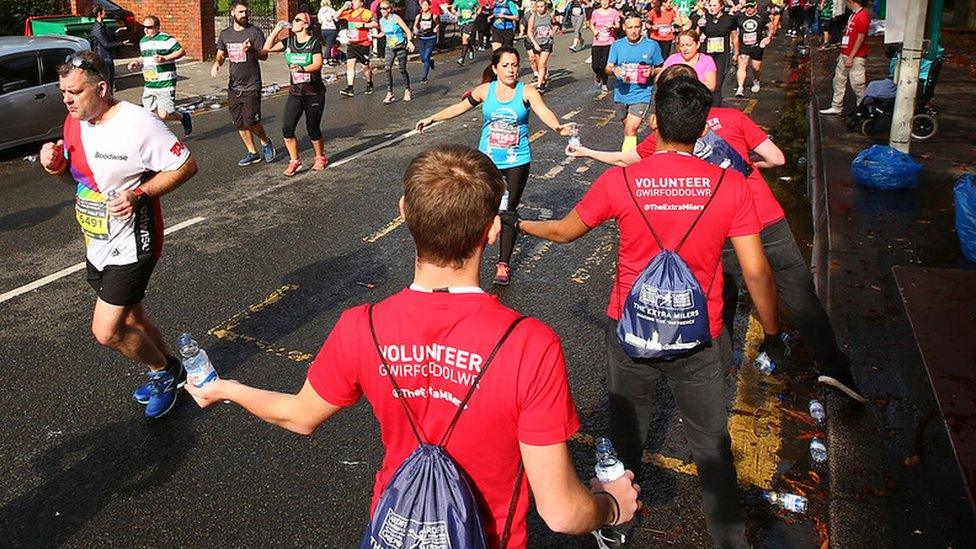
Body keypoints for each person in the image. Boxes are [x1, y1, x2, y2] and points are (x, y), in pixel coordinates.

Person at [185, 144, 641, 548]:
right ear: (492, 231)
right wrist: (611, 505)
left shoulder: (361, 325)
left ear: (404, 212)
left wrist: (225, 388)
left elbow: (300, 416)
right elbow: (561, 513)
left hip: (396, 528)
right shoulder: (530, 344)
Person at [513, 75, 783, 548]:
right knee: (711, 444)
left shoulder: (621, 179)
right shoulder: (731, 185)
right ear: (703, 130)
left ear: (654, 122)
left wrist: (517, 223)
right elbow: (756, 272)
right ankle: (729, 540)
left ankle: (616, 526)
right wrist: (774, 333)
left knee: (625, 436)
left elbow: (563, 232)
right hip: (700, 336)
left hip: (630, 328)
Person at [568, 64, 867, 403]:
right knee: (799, 292)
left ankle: (714, 380)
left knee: (719, 297)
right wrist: (747, 165)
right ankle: (835, 369)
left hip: (725, 223)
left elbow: (629, 160)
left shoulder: (669, 135)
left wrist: (588, 152)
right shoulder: (733, 119)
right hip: (768, 217)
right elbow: (778, 158)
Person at [39, 51, 198, 419]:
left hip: (134, 242)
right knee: (134, 320)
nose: (68, 100)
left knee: (107, 331)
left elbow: (187, 165)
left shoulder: (138, 124)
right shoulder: (73, 122)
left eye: (76, 92)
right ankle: (172, 371)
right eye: (64, 92)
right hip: (96, 242)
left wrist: (138, 193)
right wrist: (55, 165)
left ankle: (161, 373)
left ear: (102, 88)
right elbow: (74, 179)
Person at [415, 47, 573, 286]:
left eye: (514, 65)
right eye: (506, 66)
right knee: (477, 209)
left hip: (516, 162)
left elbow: (544, 111)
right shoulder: (484, 91)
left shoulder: (526, 91)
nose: (511, 70)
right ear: (495, 68)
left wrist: (558, 127)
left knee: (507, 212)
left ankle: (503, 263)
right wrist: (432, 118)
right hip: (486, 162)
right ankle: (462, 257)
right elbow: (459, 108)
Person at [262, 14, 328, 176]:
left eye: (297, 20)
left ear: (306, 25)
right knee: (287, 128)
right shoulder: (289, 42)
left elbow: (318, 64)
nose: (293, 22)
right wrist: (276, 30)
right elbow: (267, 48)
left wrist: (302, 69)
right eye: (294, 20)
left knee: (312, 129)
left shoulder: (313, 43)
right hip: (296, 93)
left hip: (314, 93)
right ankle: (294, 161)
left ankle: (320, 157)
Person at [213, 0, 277, 167]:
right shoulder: (226, 34)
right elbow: (221, 53)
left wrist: (252, 50)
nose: (244, 14)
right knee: (239, 123)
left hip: (251, 84)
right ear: (233, 12)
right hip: (234, 85)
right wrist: (217, 63)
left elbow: (264, 55)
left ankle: (265, 141)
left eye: (246, 11)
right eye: (241, 12)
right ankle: (252, 152)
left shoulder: (254, 32)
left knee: (251, 121)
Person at [126, 15, 193, 137]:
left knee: (164, 114)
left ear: (157, 27)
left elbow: (181, 51)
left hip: (165, 82)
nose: (146, 30)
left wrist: (165, 58)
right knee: (151, 114)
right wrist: (136, 62)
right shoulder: (143, 41)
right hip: (150, 83)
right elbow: (145, 57)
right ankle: (160, 138)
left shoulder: (166, 39)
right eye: (144, 27)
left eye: (149, 27)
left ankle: (184, 117)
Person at [606, 14, 662, 152]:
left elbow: (661, 67)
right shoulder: (617, 45)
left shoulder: (652, 45)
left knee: (631, 128)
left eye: (637, 27)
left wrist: (652, 71)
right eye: (630, 27)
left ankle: (628, 162)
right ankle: (636, 152)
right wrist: (614, 69)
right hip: (621, 94)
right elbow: (608, 68)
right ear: (624, 28)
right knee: (628, 129)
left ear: (641, 27)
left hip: (642, 93)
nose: (634, 31)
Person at [819, 0, 868, 115]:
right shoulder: (853, 15)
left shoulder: (862, 16)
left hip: (856, 56)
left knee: (857, 84)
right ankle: (836, 105)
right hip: (846, 53)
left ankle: (862, 108)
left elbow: (860, 38)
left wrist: (851, 56)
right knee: (838, 80)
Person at [377, 1, 416, 104]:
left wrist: (410, 42)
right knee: (387, 69)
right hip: (389, 47)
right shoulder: (381, 20)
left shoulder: (396, 18)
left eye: (384, 8)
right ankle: (390, 93)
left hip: (400, 46)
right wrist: (376, 36)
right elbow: (383, 32)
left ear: (389, 9)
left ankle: (408, 89)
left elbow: (407, 31)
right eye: (380, 8)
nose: (382, 11)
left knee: (402, 69)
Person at [698, 0, 736, 105]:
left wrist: (737, 53)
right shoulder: (705, 18)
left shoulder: (729, 19)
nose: (711, 8)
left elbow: (734, 37)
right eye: (710, 5)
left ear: (721, 7)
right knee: (705, 81)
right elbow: (696, 34)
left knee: (717, 85)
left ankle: (716, 109)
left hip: (722, 54)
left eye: (714, 5)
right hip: (707, 53)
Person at [338, 0, 379, 97]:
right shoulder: (350, 13)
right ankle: (350, 88)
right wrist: (344, 7)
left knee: (365, 67)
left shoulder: (366, 13)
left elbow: (376, 23)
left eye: (355, 1)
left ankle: (369, 82)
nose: (353, 3)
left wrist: (363, 25)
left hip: (363, 43)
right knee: (350, 65)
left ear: (361, 3)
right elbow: (336, 16)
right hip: (352, 43)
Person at [733, 0, 772, 96]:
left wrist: (768, 37)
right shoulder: (739, 17)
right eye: (747, 7)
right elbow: (734, 32)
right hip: (743, 45)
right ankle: (740, 88)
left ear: (756, 6)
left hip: (757, 45)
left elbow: (771, 26)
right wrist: (735, 48)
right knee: (742, 65)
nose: (749, 9)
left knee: (756, 67)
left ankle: (756, 80)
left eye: (751, 7)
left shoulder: (762, 16)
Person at [88, 5, 129, 94]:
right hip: (103, 58)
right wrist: (122, 43)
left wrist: (117, 32)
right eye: (104, 11)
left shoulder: (102, 25)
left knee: (110, 82)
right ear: (99, 13)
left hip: (107, 57)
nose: (105, 13)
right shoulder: (97, 28)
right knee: (107, 82)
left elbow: (108, 37)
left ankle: (109, 101)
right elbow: (106, 44)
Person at [589, 0, 621, 96]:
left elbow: (618, 25)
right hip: (597, 42)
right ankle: (598, 75)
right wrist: (594, 30)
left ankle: (604, 84)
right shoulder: (595, 12)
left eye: (607, 0)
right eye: (603, 0)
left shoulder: (614, 12)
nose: (605, 2)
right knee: (595, 65)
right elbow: (591, 24)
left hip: (609, 42)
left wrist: (613, 27)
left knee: (604, 65)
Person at [526, 0, 556, 91]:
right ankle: (543, 79)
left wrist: (552, 32)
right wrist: (534, 43)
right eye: (538, 7)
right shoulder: (533, 17)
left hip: (547, 42)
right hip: (537, 43)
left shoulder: (549, 15)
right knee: (539, 64)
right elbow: (529, 32)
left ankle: (539, 86)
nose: (540, 9)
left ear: (545, 6)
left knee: (542, 64)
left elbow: (556, 25)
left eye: (542, 6)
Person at [414, 0, 440, 83]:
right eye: (422, 5)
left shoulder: (434, 16)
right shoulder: (419, 16)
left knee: (426, 57)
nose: (424, 7)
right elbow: (415, 25)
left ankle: (424, 77)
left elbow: (438, 23)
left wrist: (436, 28)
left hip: (431, 38)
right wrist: (415, 30)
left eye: (426, 5)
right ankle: (430, 62)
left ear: (429, 6)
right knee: (422, 58)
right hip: (422, 38)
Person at [452, 0, 482, 65]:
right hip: (461, 22)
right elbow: (453, 8)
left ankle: (462, 59)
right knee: (465, 40)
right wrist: (455, 13)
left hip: (470, 22)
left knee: (465, 39)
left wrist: (476, 14)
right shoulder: (457, 1)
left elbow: (480, 7)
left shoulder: (474, 1)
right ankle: (471, 49)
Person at [318, 0, 341, 66]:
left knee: (327, 45)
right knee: (329, 45)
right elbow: (336, 18)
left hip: (323, 29)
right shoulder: (331, 10)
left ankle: (330, 57)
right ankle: (325, 59)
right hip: (331, 29)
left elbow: (320, 21)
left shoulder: (320, 11)